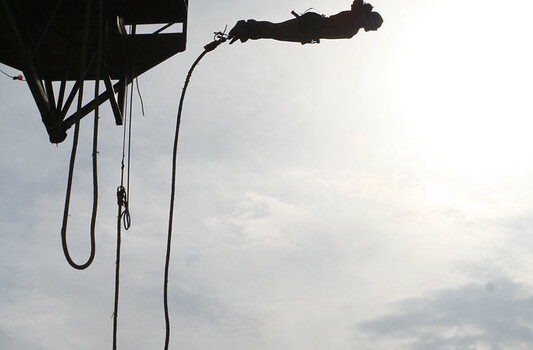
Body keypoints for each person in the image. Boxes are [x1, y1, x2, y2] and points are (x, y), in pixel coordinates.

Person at [228, 0, 383, 45]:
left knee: (274, 33)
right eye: (374, 26)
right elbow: (357, 5)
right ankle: (246, 27)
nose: (373, 30)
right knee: (276, 30)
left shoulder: (353, 29)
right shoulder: (355, 18)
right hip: (310, 26)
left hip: (309, 32)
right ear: (370, 18)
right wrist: (365, 8)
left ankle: (248, 31)